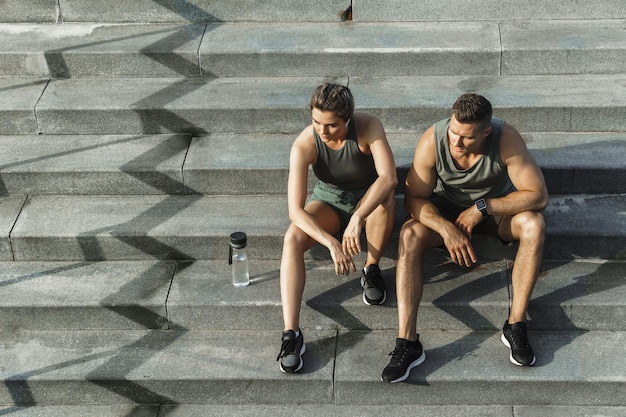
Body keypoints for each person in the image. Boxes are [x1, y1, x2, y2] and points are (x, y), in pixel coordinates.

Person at [381, 93, 548, 383]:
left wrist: (482, 208)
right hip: (446, 210)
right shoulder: (433, 140)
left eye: (467, 138)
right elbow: (413, 200)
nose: (456, 143)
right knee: (409, 233)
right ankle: (408, 343)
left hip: (496, 210)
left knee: (534, 224)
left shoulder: (505, 138)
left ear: (486, 131)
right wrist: (446, 229)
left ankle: (515, 324)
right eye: (454, 132)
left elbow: (538, 196)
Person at [276, 83, 398, 373]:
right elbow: (295, 210)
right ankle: (291, 333)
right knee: (293, 237)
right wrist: (330, 242)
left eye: (331, 125)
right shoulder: (305, 143)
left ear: (348, 118)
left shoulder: (368, 126)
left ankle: (371, 268)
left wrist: (357, 218)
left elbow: (389, 177)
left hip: (368, 197)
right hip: (330, 200)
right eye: (316, 122)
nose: (323, 130)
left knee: (386, 197)